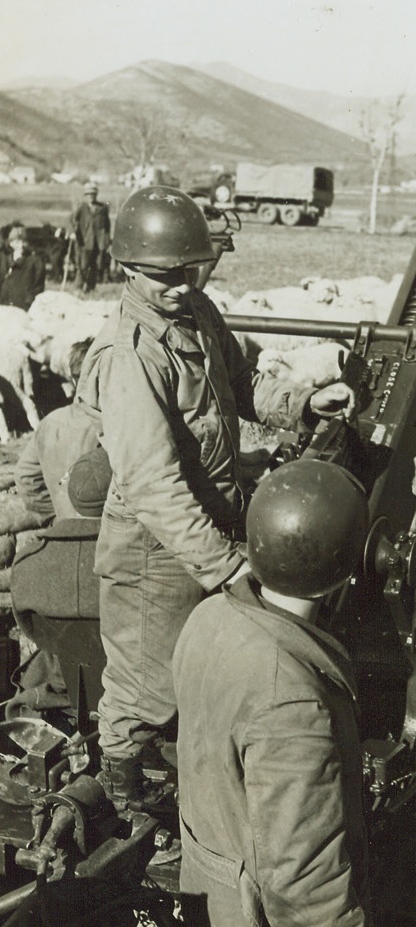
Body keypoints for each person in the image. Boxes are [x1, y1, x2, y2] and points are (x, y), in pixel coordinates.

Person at [75, 185, 356, 812]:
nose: (180, 283)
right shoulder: (131, 355)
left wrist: (302, 404)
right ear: (126, 267)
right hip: (154, 550)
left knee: (206, 672)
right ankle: (123, 806)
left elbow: (243, 379)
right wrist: (226, 566)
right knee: (145, 690)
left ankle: (186, 787)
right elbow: (152, 483)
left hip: (207, 529)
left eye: (190, 269)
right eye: (164, 275)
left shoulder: (196, 312)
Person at [174, 458, 372, 927]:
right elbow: (305, 886)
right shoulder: (291, 699)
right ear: (346, 570)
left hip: (210, 880)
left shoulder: (209, 618)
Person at [14, 339, 98, 524]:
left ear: (73, 379)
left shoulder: (50, 422)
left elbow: (24, 476)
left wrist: (57, 515)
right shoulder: (114, 426)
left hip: (66, 530)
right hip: (107, 537)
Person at [70, 182, 111, 292]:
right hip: (85, 242)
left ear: (96, 195)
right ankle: (78, 288)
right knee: (82, 266)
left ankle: (90, 288)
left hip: (99, 242)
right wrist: (74, 231)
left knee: (96, 266)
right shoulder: (82, 207)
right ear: (85, 195)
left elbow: (107, 226)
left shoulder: (103, 208)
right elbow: (72, 220)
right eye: (88, 194)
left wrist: (107, 240)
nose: (91, 196)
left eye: (93, 194)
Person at [0, 224, 46, 310]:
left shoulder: (35, 262)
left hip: (24, 307)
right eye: (17, 242)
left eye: (24, 241)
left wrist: (30, 301)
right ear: (10, 243)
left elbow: (38, 287)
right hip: (3, 306)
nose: (21, 245)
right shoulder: (3, 259)